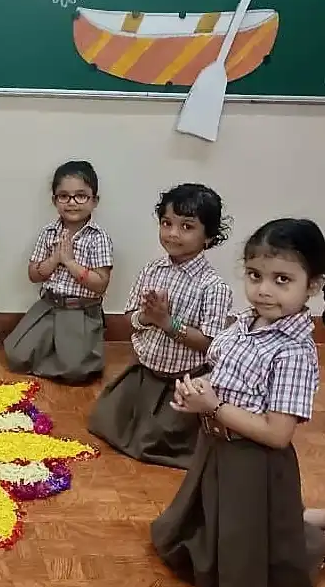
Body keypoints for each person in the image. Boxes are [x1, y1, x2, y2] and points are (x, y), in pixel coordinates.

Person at [151, 217, 325, 587]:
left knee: (273, 552)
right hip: (217, 451)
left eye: (282, 280)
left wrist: (212, 407)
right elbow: (221, 371)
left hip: (254, 460)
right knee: (231, 522)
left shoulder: (294, 352)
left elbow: (277, 434)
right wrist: (194, 392)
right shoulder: (244, 324)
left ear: (313, 285)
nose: (263, 290)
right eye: (254, 275)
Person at [87, 183, 233, 469]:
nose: (173, 233)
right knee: (103, 420)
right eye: (167, 223)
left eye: (187, 227)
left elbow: (209, 342)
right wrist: (146, 318)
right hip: (143, 373)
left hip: (183, 381)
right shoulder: (152, 270)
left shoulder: (213, 287)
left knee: (157, 442)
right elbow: (129, 318)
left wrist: (167, 323)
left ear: (209, 237)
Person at [4, 160, 113, 384]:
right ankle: (58, 354)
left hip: (80, 312)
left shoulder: (99, 238)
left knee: (76, 372)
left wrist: (70, 262)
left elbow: (100, 283)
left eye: (81, 196)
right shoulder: (49, 232)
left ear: (95, 201)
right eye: (64, 196)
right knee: (15, 355)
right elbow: (34, 274)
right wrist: (54, 259)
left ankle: (76, 357)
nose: (72, 202)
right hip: (48, 306)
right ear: (54, 200)